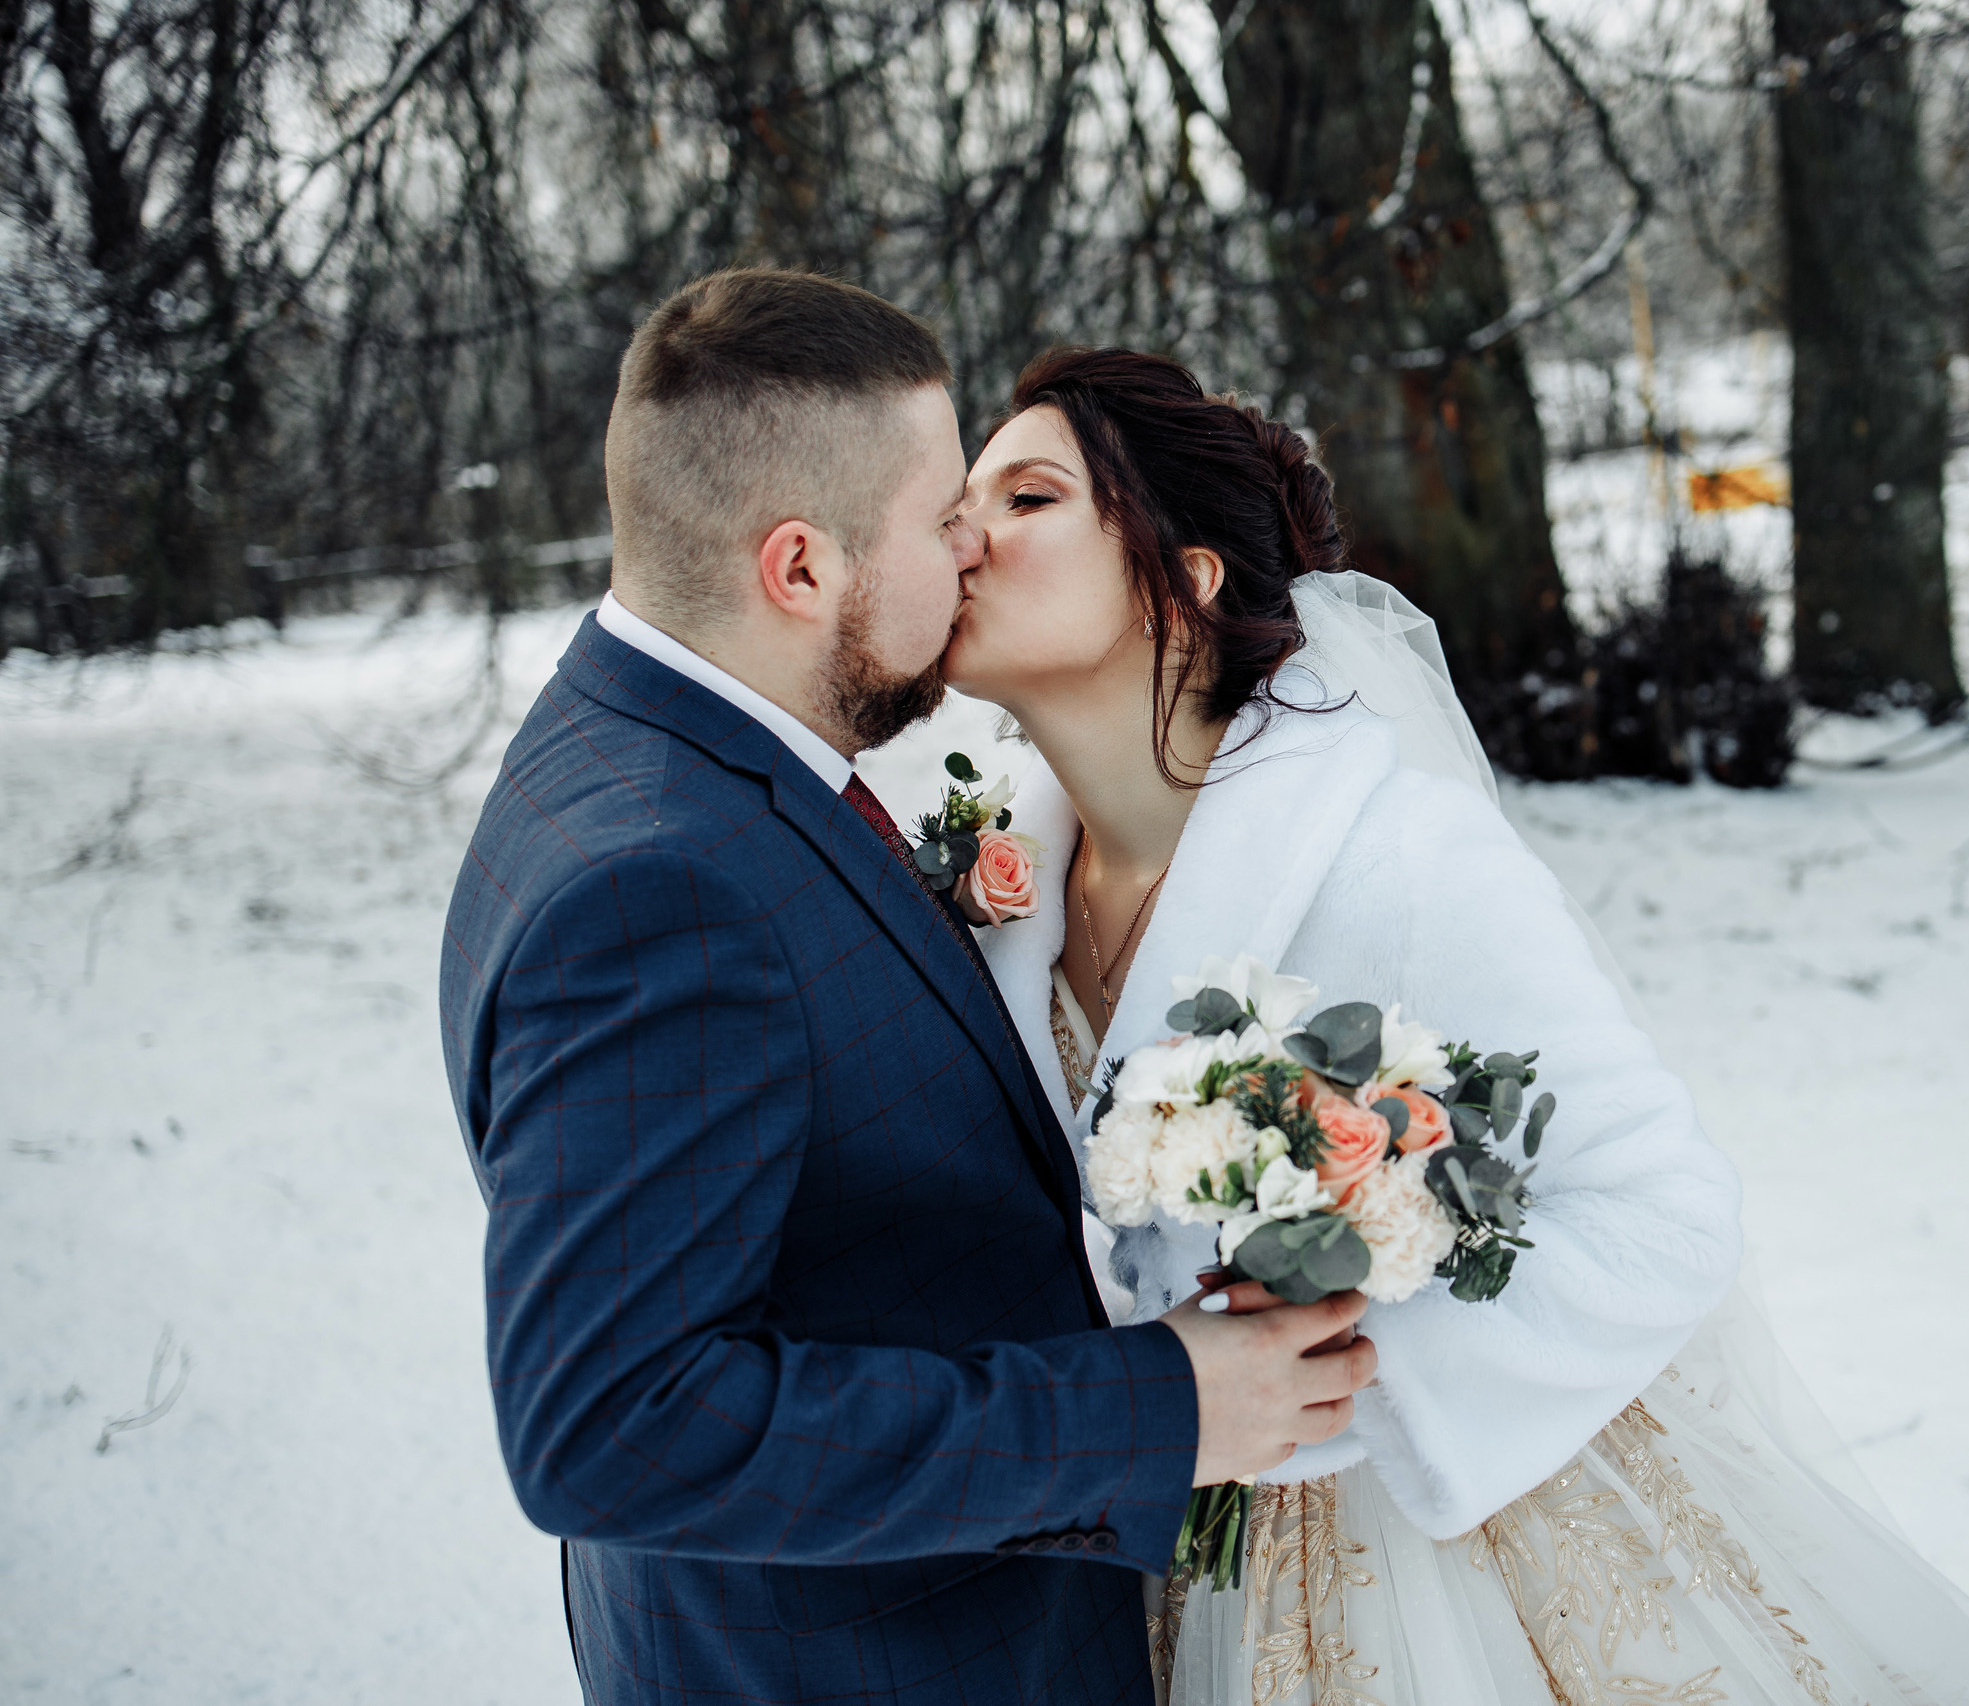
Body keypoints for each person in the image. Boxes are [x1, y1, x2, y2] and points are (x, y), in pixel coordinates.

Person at [946, 346, 1969, 1705]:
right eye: (963, 498)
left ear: (1181, 578)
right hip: (1160, 1538)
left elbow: (1668, 1216)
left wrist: (1344, 1361)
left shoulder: (1398, 858)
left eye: (1026, 497)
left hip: (1451, 1550)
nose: (963, 533)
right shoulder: (991, 890)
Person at [438, 272, 1377, 1706]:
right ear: (801, 571)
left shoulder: (634, 743)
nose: (972, 549)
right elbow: (614, 1427)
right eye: (943, 520)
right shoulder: (659, 885)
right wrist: (1158, 1410)